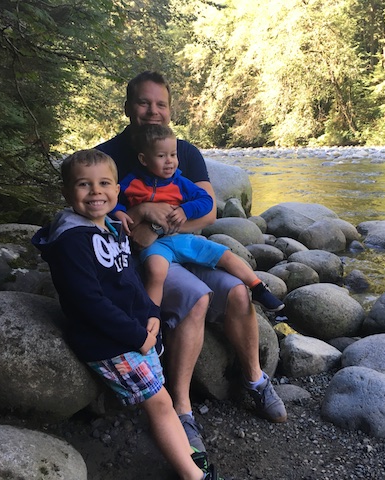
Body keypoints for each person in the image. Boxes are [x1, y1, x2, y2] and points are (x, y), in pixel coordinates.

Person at [96, 71, 287, 452]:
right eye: (144, 103)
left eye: (160, 104)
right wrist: (141, 211)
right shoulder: (108, 155)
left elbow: (209, 213)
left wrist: (154, 220)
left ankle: (255, 379)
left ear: (170, 109)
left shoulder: (184, 151)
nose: (153, 111)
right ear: (128, 107)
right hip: (140, 260)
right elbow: (98, 212)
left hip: (183, 245)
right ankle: (182, 408)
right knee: (197, 297)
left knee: (236, 292)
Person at [31, 149, 223, 480]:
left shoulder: (111, 225)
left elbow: (130, 280)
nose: (95, 192)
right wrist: (138, 336)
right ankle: (193, 475)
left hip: (131, 331)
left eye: (104, 183)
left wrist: (150, 313)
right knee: (160, 404)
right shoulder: (71, 242)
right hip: (106, 341)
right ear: (66, 193)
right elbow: (86, 302)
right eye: (83, 185)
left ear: (118, 191)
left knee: (161, 396)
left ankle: (190, 456)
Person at [113, 123, 284, 312]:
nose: (169, 161)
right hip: (155, 244)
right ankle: (150, 315)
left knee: (225, 255)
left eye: (173, 154)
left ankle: (258, 288)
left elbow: (206, 200)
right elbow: (114, 198)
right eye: (161, 156)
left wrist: (186, 210)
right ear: (144, 159)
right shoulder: (132, 182)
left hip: (183, 237)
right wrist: (119, 211)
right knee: (156, 271)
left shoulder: (180, 183)